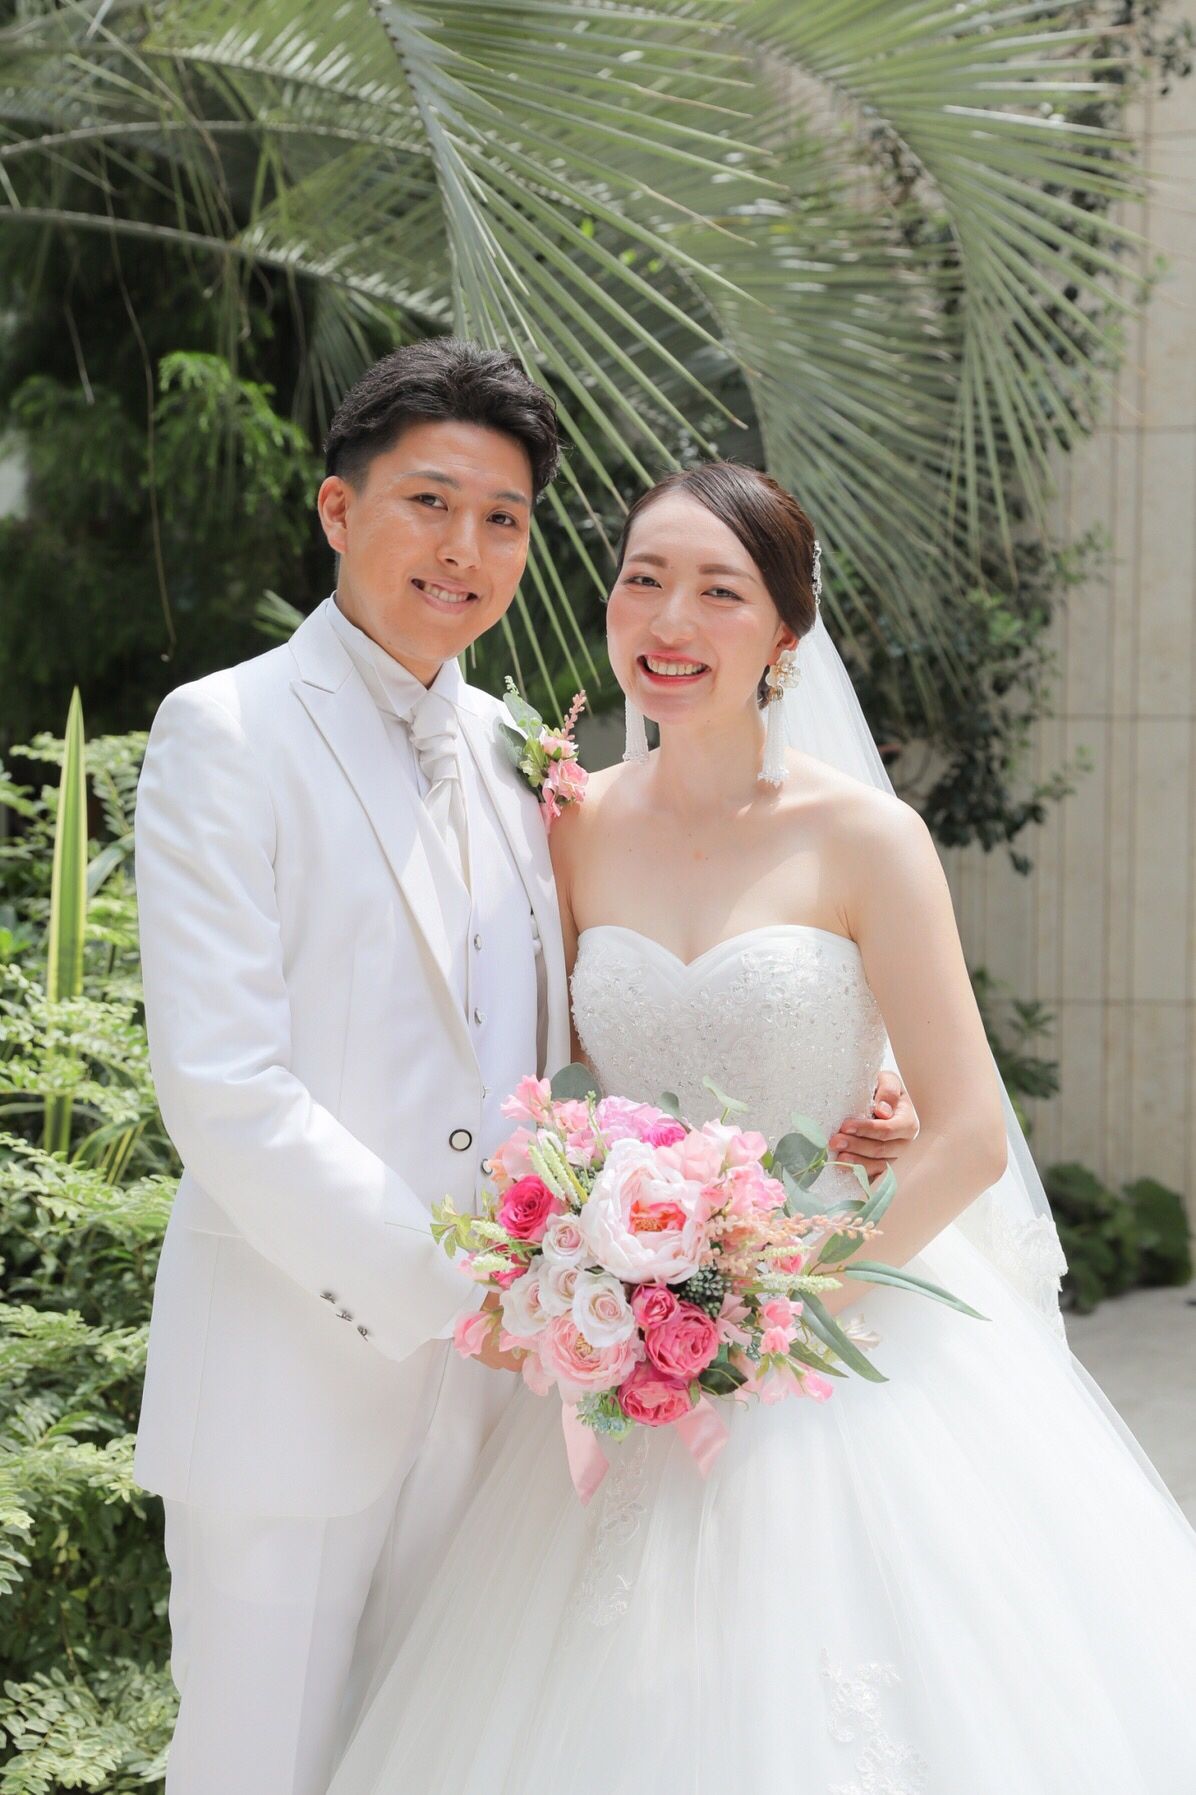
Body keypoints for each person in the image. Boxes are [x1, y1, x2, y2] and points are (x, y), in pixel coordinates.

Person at [328, 462, 1196, 1795]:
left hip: (845, 1334)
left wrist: (772, 1297)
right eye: (643, 580)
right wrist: (583, 1260)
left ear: (787, 634)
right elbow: (543, 1079)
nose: (670, 621)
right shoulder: (566, 828)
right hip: (632, 1345)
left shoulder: (867, 839)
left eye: (719, 592)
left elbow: (967, 1133)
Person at [133, 348, 917, 1795]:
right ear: (336, 509)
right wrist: (464, 1296)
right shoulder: (224, 734)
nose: (465, 547)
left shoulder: (515, 750)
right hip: (299, 1385)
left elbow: (575, 1045)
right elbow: (228, 1092)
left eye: (503, 519)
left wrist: (841, 1081)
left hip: (506, 1423)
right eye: (429, 502)